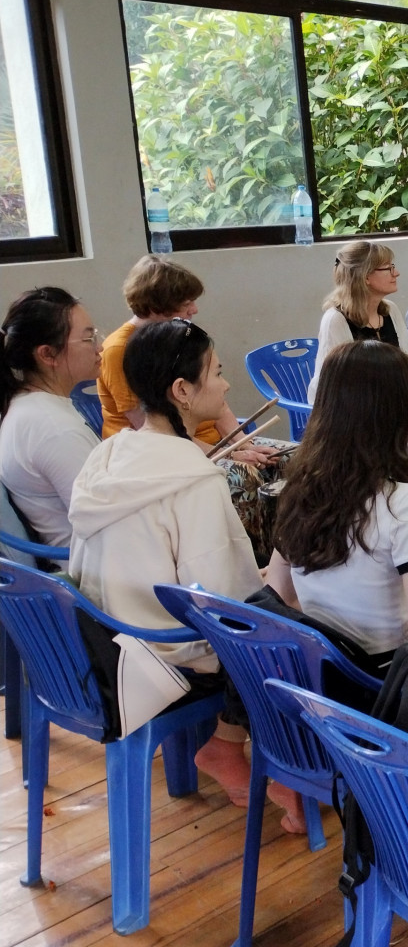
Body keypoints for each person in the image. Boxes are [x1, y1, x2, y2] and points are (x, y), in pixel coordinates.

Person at [68, 319, 303, 830]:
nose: (223, 387)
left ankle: (230, 748)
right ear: (181, 390)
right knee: (286, 626)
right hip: (160, 651)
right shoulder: (193, 476)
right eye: (216, 374)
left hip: (95, 637)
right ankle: (277, 764)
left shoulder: (107, 453)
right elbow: (224, 598)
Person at [265, 340, 408, 671]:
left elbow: (279, 593)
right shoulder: (406, 503)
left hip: (321, 674)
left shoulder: (299, 487)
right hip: (383, 682)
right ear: (402, 414)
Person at [98, 256, 276, 469]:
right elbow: (149, 428)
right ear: (157, 306)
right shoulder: (119, 350)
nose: (195, 310)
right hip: (161, 455)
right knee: (248, 477)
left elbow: (215, 396)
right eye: (186, 304)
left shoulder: (183, 336)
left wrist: (243, 444)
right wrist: (226, 456)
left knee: (288, 461)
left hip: (210, 443)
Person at [313, 240, 408, 498]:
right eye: (388, 268)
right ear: (366, 276)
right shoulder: (336, 319)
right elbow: (331, 383)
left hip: (399, 412)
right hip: (361, 420)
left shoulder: (390, 310)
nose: (397, 273)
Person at [0, 288, 101, 548]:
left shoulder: (32, 408)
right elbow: (102, 521)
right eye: (88, 339)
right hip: (94, 572)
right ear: (47, 354)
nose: (100, 347)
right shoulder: (53, 428)